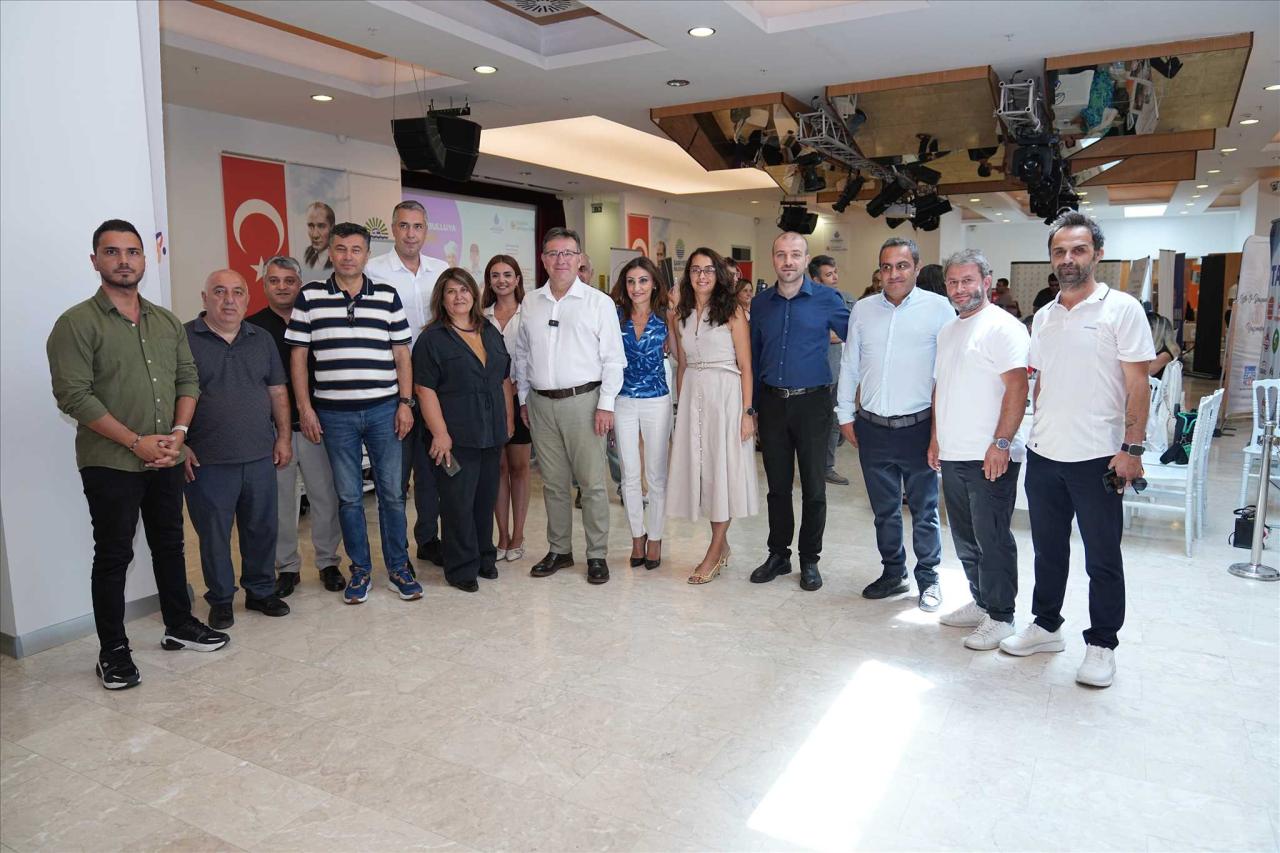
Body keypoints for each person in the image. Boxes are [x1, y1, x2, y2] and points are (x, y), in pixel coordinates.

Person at [47, 219, 229, 690]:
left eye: (132, 252)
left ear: (145, 260)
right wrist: (134, 441)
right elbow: (73, 396)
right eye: (112, 252)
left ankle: (179, 624)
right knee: (114, 555)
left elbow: (187, 379)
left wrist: (178, 434)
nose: (124, 261)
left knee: (170, 544)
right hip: (111, 463)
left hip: (167, 456)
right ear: (95, 261)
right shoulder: (76, 323)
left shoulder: (165, 321)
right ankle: (113, 651)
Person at [999, 212, 1154, 688]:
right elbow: (1040, 380)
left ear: (1097, 254)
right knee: (1048, 551)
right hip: (1045, 455)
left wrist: (1132, 449)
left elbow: (1138, 384)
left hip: (1098, 458)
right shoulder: (1044, 316)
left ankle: (1102, 644)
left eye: (1078, 250)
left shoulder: (1122, 309)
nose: (1068, 259)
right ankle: (1046, 626)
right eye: (1060, 251)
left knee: (1102, 558)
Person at [285, 222, 423, 605]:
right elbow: (298, 358)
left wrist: (405, 403)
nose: (348, 256)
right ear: (330, 252)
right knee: (348, 497)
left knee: (392, 494)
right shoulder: (310, 297)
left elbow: (402, 354)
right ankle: (360, 569)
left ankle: (399, 568)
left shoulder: (387, 295)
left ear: (366, 254)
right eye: (341, 249)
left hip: (384, 410)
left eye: (356, 249)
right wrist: (305, 408)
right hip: (334, 415)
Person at [838, 236, 956, 611]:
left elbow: (947, 374)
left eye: (902, 266)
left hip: (918, 428)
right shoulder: (863, 310)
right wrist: (845, 414)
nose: (894, 274)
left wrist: (939, 431)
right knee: (884, 511)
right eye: (887, 267)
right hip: (872, 427)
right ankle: (893, 573)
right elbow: (850, 364)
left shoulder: (939, 309)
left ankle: (929, 578)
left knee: (924, 511)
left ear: (916, 268)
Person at [928, 250, 1029, 650]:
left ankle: (1002, 616)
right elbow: (941, 388)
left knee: (992, 538)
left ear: (987, 282)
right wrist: (936, 438)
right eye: (953, 282)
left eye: (967, 280)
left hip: (990, 454)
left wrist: (1001, 443)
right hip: (953, 452)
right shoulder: (948, 330)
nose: (959, 289)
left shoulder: (1004, 327)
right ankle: (982, 600)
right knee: (965, 537)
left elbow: (1018, 388)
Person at [515, 227, 626, 584]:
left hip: (585, 403)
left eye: (568, 253)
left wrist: (606, 406)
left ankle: (597, 554)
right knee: (553, 484)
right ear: (543, 259)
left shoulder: (598, 303)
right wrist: (524, 398)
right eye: (553, 253)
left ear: (579, 259)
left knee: (592, 485)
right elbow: (522, 355)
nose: (560, 259)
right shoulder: (531, 302)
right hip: (540, 404)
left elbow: (613, 359)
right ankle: (560, 550)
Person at [183, 270, 293, 629]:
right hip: (207, 460)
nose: (229, 300)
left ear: (247, 299)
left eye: (237, 292)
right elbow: (166, 395)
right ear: (205, 298)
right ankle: (221, 599)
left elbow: (277, 390)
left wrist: (283, 437)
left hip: (260, 454)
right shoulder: (182, 339)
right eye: (219, 292)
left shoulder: (261, 338)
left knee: (262, 529)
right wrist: (180, 444)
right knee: (214, 535)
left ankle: (260, 592)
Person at [749, 233, 850, 592]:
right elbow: (755, 357)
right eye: (781, 254)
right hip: (772, 404)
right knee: (777, 487)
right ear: (773, 259)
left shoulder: (827, 299)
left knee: (813, 487)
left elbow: (857, 340)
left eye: (795, 254)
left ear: (806, 260)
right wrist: (753, 408)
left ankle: (810, 559)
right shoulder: (761, 304)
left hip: (813, 404)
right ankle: (778, 554)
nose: (788, 261)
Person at [247, 256, 347, 597]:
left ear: (299, 285)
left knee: (325, 497)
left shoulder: (317, 320)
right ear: (264, 285)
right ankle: (287, 567)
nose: (282, 287)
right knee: (281, 503)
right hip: (275, 431)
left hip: (318, 425)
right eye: (274, 281)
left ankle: (328, 562)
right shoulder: (252, 328)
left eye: (289, 281)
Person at [414, 269, 514, 592]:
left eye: (464, 290)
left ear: (474, 294)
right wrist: (440, 433)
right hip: (455, 436)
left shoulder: (489, 331)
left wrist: (508, 420)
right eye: (451, 291)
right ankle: (460, 568)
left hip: (491, 432)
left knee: (485, 500)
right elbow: (424, 389)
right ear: (441, 299)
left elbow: (503, 379)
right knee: (458, 503)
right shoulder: (432, 339)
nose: (459, 297)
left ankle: (484, 557)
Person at [366, 200, 449, 567]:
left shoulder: (442, 271)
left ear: (426, 230)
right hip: (391, 388)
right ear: (393, 229)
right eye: (403, 226)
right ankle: (395, 549)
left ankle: (428, 540)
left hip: (435, 387)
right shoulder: (372, 271)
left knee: (431, 474)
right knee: (393, 479)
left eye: (417, 226)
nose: (410, 233)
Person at [668, 248, 759, 582]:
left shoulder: (732, 310)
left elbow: (746, 365)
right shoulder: (681, 313)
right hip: (694, 396)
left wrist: (747, 413)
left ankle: (714, 550)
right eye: (695, 270)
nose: (701, 276)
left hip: (726, 396)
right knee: (705, 474)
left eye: (708, 270)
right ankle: (722, 545)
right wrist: (681, 407)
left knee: (723, 471)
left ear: (718, 275)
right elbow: (681, 364)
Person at [611, 256, 673, 570]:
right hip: (623, 400)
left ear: (654, 285)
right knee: (630, 474)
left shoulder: (667, 316)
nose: (637, 287)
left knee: (657, 475)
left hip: (657, 400)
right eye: (631, 281)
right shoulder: (615, 316)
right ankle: (637, 536)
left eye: (643, 281)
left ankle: (656, 538)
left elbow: (681, 357)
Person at [483, 255, 531, 563]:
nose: (501, 280)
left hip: (521, 397)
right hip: (489, 401)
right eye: (495, 275)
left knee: (519, 468)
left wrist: (517, 388)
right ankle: (501, 534)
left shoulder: (530, 313)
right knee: (497, 469)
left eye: (507, 275)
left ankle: (518, 535)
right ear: (488, 281)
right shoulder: (480, 316)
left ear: (517, 280)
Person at [808, 254, 856, 487]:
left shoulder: (846, 299)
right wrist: (830, 334)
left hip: (841, 371)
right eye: (829, 274)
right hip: (817, 374)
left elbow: (853, 331)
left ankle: (827, 467)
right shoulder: (807, 301)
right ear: (815, 279)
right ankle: (813, 469)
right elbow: (810, 333)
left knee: (835, 422)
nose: (835, 277)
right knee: (816, 425)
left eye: (835, 272)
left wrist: (832, 334)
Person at [301, 202, 335, 282]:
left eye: (321, 226)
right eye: (311, 226)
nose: (315, 235)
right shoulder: (307, 253)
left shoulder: (339, 258)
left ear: (332, 227)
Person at [1146, 308, 1181, 379]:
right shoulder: (1161, 349)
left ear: (1156, 331)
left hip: (1152, 385)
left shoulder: (1165, 354)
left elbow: (1147, 373)